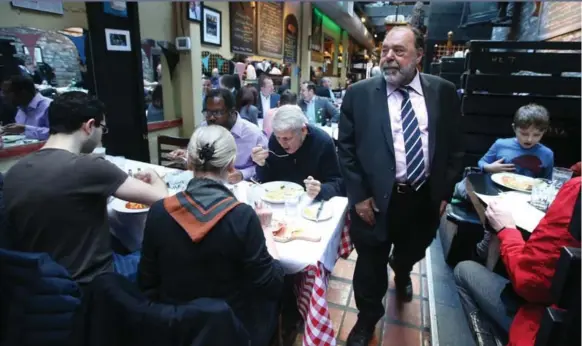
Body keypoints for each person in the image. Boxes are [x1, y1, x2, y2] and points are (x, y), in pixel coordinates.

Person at [337, 25, 463, 345]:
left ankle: (403, 269)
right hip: (374, 202)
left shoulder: (444, 92)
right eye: (385, 50)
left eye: (399, 51)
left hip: (422, 200)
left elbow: (455, 146)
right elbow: (346, 150)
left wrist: (444, 192)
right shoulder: (359, 94)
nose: (389, 57)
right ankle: (367, 319)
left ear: (419, 55)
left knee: (411, 250)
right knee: (369, 266)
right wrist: (359, 197)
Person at [138, 125, 284, 346]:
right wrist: (265, 229)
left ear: (189, 162)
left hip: (172, 324)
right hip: (229, 330)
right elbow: (271, 284)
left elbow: (146, 281)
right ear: (231, 164)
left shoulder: (160, 211)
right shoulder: (242, 216)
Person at [3, 92, 168, 284]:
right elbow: (161, 197)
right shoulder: (89, 168)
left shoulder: (15, 171)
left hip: (42, 282)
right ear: (89, 126)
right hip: (93, 279)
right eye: (102, 129)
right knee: (160, 253)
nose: (101, 136)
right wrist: (155, 176)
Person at [454, 177, 581, 346]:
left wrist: (506, 230)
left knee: (464, 270)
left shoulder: (577, 191)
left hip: (546, 331)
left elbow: (530, 283)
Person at [251, 105, 342, 200]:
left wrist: (321, 189)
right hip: (282, 200)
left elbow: (338, 183)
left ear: (303, 130)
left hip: (313, 202)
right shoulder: (275, 140)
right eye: (278, 137)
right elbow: (268, 180)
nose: (282, 143)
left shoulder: (322, 142)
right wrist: (261, 165)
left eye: (287, 138)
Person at [478, 104, 553, 179]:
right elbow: (482, 162)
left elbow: (547, 181)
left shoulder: (547, 154)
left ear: (544, 132)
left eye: (536, 135)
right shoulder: (500, 144)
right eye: (524, 134)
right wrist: (489, 168)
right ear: (514, 128)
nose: (529, 139)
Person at [1, 75, 50, 140]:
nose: (3, 96)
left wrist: (25, 129)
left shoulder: (48, 106)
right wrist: (11, 132)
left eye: (7, 92)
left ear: (23, 92)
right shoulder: (21, 107)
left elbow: (57, 134)